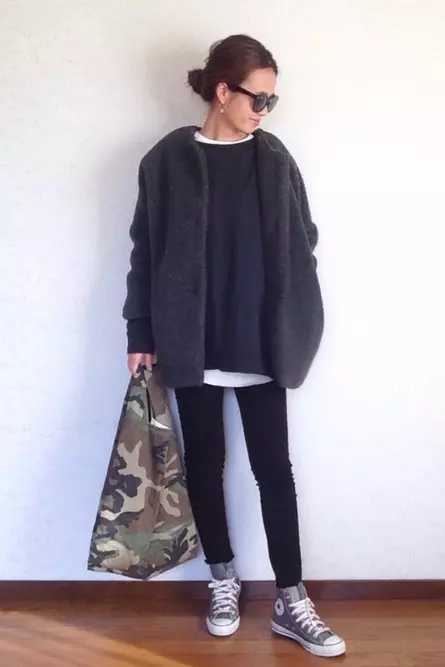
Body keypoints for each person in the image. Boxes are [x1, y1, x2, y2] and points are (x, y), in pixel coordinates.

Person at [123, 34, 346, 659]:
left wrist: (287, 295)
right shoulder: (166, 161)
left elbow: (305, 234)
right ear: (223, 92)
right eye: (258, 98)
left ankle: (291, 599)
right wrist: (140, 331)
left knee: (274, 469)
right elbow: (144, 250)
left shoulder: (273, 158)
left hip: (262, 339)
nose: (264, 111)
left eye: (272, 100)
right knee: (205, 465)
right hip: (191, 340)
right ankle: (222, 579)